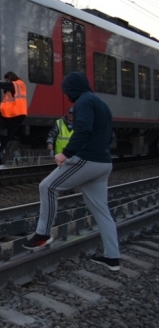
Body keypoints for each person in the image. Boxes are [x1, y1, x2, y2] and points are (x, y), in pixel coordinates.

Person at [23, 72, 120, 272]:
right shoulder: (101, 104)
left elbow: (83, 128)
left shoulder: (83, 102)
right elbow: (108, 135)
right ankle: (112, 258)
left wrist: (65, 154)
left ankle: (43, 234)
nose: (66, 94)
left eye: (66, 90)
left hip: (87, 160)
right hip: (104, 163)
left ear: (73, 88)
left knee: (48, 186)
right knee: (102, 211)